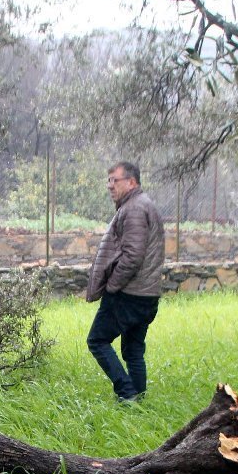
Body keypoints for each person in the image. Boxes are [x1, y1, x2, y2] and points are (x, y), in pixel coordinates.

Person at [84, 161, 165, 402]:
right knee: (133, 350)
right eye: (108, 180)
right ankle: (138, 400)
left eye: (114, 180)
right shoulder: (142, 205)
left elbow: (132, 256)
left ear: (132, 182)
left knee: (97, 340)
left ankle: (127, 393)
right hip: (147, 294)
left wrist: (112, 286)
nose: (110, 186)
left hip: (129, 294)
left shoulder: (134, 209)